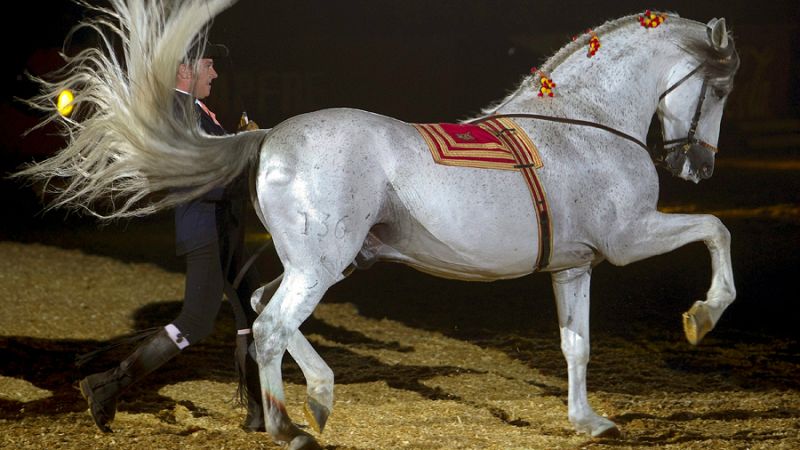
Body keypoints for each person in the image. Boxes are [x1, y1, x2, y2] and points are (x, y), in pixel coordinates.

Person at [78, 42, 266, 433]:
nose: (215, 74)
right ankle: (107, 385)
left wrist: (240, 140)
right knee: (195, 322)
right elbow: (200, 177)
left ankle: (259, 415)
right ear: (184, 69)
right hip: (207, 230)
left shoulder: (195, 110)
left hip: (225, 230)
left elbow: (215, 159)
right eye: (208, 65)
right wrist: (247, 154)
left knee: (253, 315)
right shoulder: (179, 113)